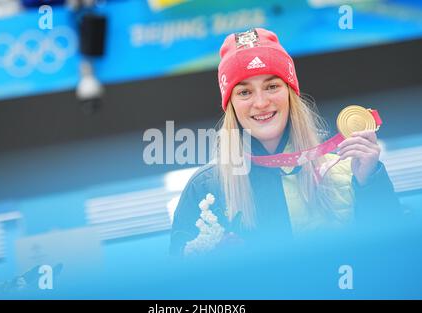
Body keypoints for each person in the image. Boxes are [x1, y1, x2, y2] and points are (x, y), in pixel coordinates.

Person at [169, 28, 402, 256]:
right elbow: (178, 285)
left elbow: (393, 257)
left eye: (272, 86)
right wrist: (211, 270)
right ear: (231, 105)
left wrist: (370, 182)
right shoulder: (205, 188)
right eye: (244, 92)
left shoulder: (344, 167)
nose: (260, 103)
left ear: (290, 93)